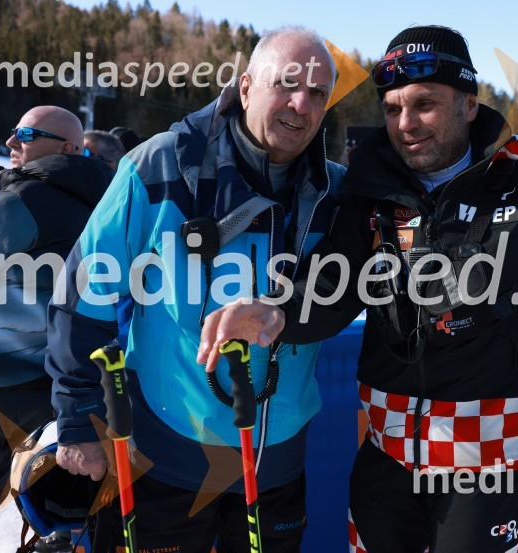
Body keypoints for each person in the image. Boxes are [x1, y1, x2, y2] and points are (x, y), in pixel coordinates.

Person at [199, 25, 518, 552]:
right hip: (388, 451)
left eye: (424, 104)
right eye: (393, 108)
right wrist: (277, 311)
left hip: (488, 457)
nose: (405, 124)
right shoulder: (369, 189)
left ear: (468, 104)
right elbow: (332, 283)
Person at [45, 26, 343, 552]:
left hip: (275, 466)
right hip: (162, 462)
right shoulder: (159, 165)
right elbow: (82, 295)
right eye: (287, 83)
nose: (301, 104)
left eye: (318, 93)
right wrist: (78, 417)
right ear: (246, 87)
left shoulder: (336, 193)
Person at [0, 106, 112, 553]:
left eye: (27, 134)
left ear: (68, 148)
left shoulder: (25, 200)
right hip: (64, 390)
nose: (12, 142)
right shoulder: (108, 211)